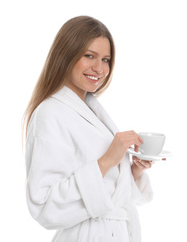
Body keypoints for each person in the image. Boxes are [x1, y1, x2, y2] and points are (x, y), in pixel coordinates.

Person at [23, 16, 154, 242]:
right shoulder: (50, 114)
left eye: (105, 59)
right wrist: (106, 161)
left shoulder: (91, 111)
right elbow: (44, 205)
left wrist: (132, 172)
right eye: (89, 56)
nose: (99, 68)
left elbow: (113, 196)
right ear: (66, 55)